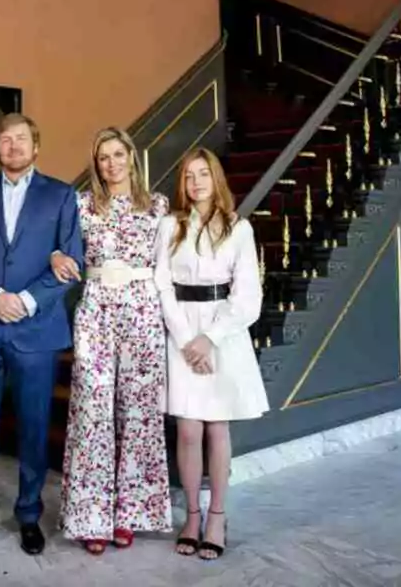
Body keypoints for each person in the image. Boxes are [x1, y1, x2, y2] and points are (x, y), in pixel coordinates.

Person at [0, 113, 84, 564]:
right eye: (4, 140)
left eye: (21, 139)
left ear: (36, 147)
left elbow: (71, 261)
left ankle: (29, 515)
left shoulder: (62, 195)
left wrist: (23, 301)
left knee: (33, 426)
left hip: (36, 328)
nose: (12, 147)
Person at [50, 127, 172, 555]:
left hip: (143, 308)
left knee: (138, 411)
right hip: (97, 308)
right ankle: (91, 517)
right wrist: (55, 255)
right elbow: (59, 247)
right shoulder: (81, 204)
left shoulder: (157, 205)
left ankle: (131, 513)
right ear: (96, 164)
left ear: (131, 158)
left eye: (118, 154)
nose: (111, 163)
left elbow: (168, 266)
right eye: (103, 157)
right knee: (92, 410)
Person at [153, 148, 268, 561]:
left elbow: (249, 298)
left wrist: (210, 339)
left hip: (223, 334)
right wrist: (186, 339)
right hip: (181, 330)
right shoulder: (170, 226)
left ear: (215, 179)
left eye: (203, 174)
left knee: (217, 429)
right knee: (187, 430)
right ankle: (192, 515)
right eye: (189, 176)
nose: (196, 182)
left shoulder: (239, 228)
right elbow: (162, 284)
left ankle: (217, 515)